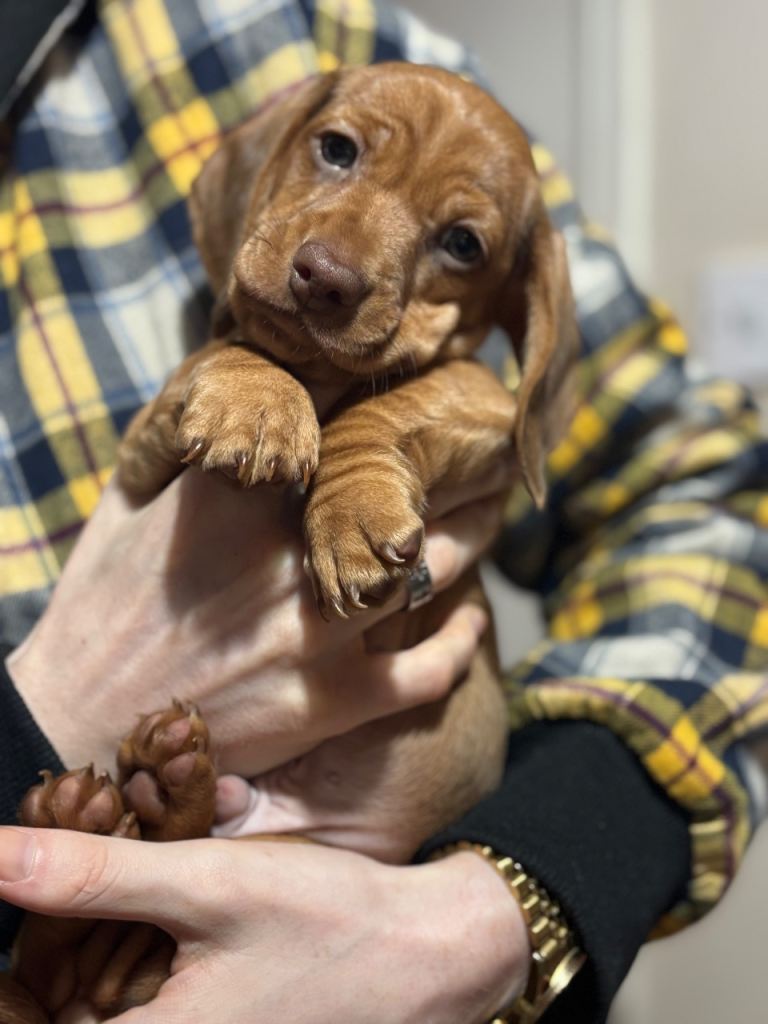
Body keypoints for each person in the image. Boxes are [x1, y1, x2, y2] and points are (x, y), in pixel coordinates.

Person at [0, 1, 765, 1021]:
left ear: (517, 316)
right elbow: (165, 440)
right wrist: (45, 714)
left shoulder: (291, 34)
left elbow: (696, 483)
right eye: (339, 154)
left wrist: (515, 902)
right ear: (263, 170)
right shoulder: (235, 345)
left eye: (457, 242)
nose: (336, 262)